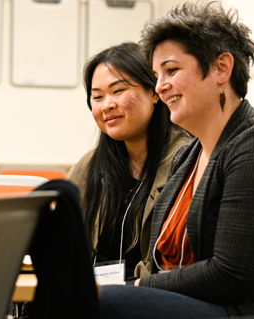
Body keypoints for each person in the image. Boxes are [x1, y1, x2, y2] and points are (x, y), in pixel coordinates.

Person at [99, 2, 254, 318]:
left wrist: (136, 288)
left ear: (221, 68)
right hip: (194, 304)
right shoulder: (187, 157)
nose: (160, 86)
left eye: (172, 71)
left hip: (239, 311)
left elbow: (231, 275)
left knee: (99, 302)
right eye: (156, 75)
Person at [67, 42, 191, 282]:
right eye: (97, 97)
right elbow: (63, 247)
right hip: (90, 297)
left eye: (118, 91)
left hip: (147, 296)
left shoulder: (185, 160)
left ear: (154, 92)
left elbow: (175, 263)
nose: (107, 105)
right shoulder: (89, 167)